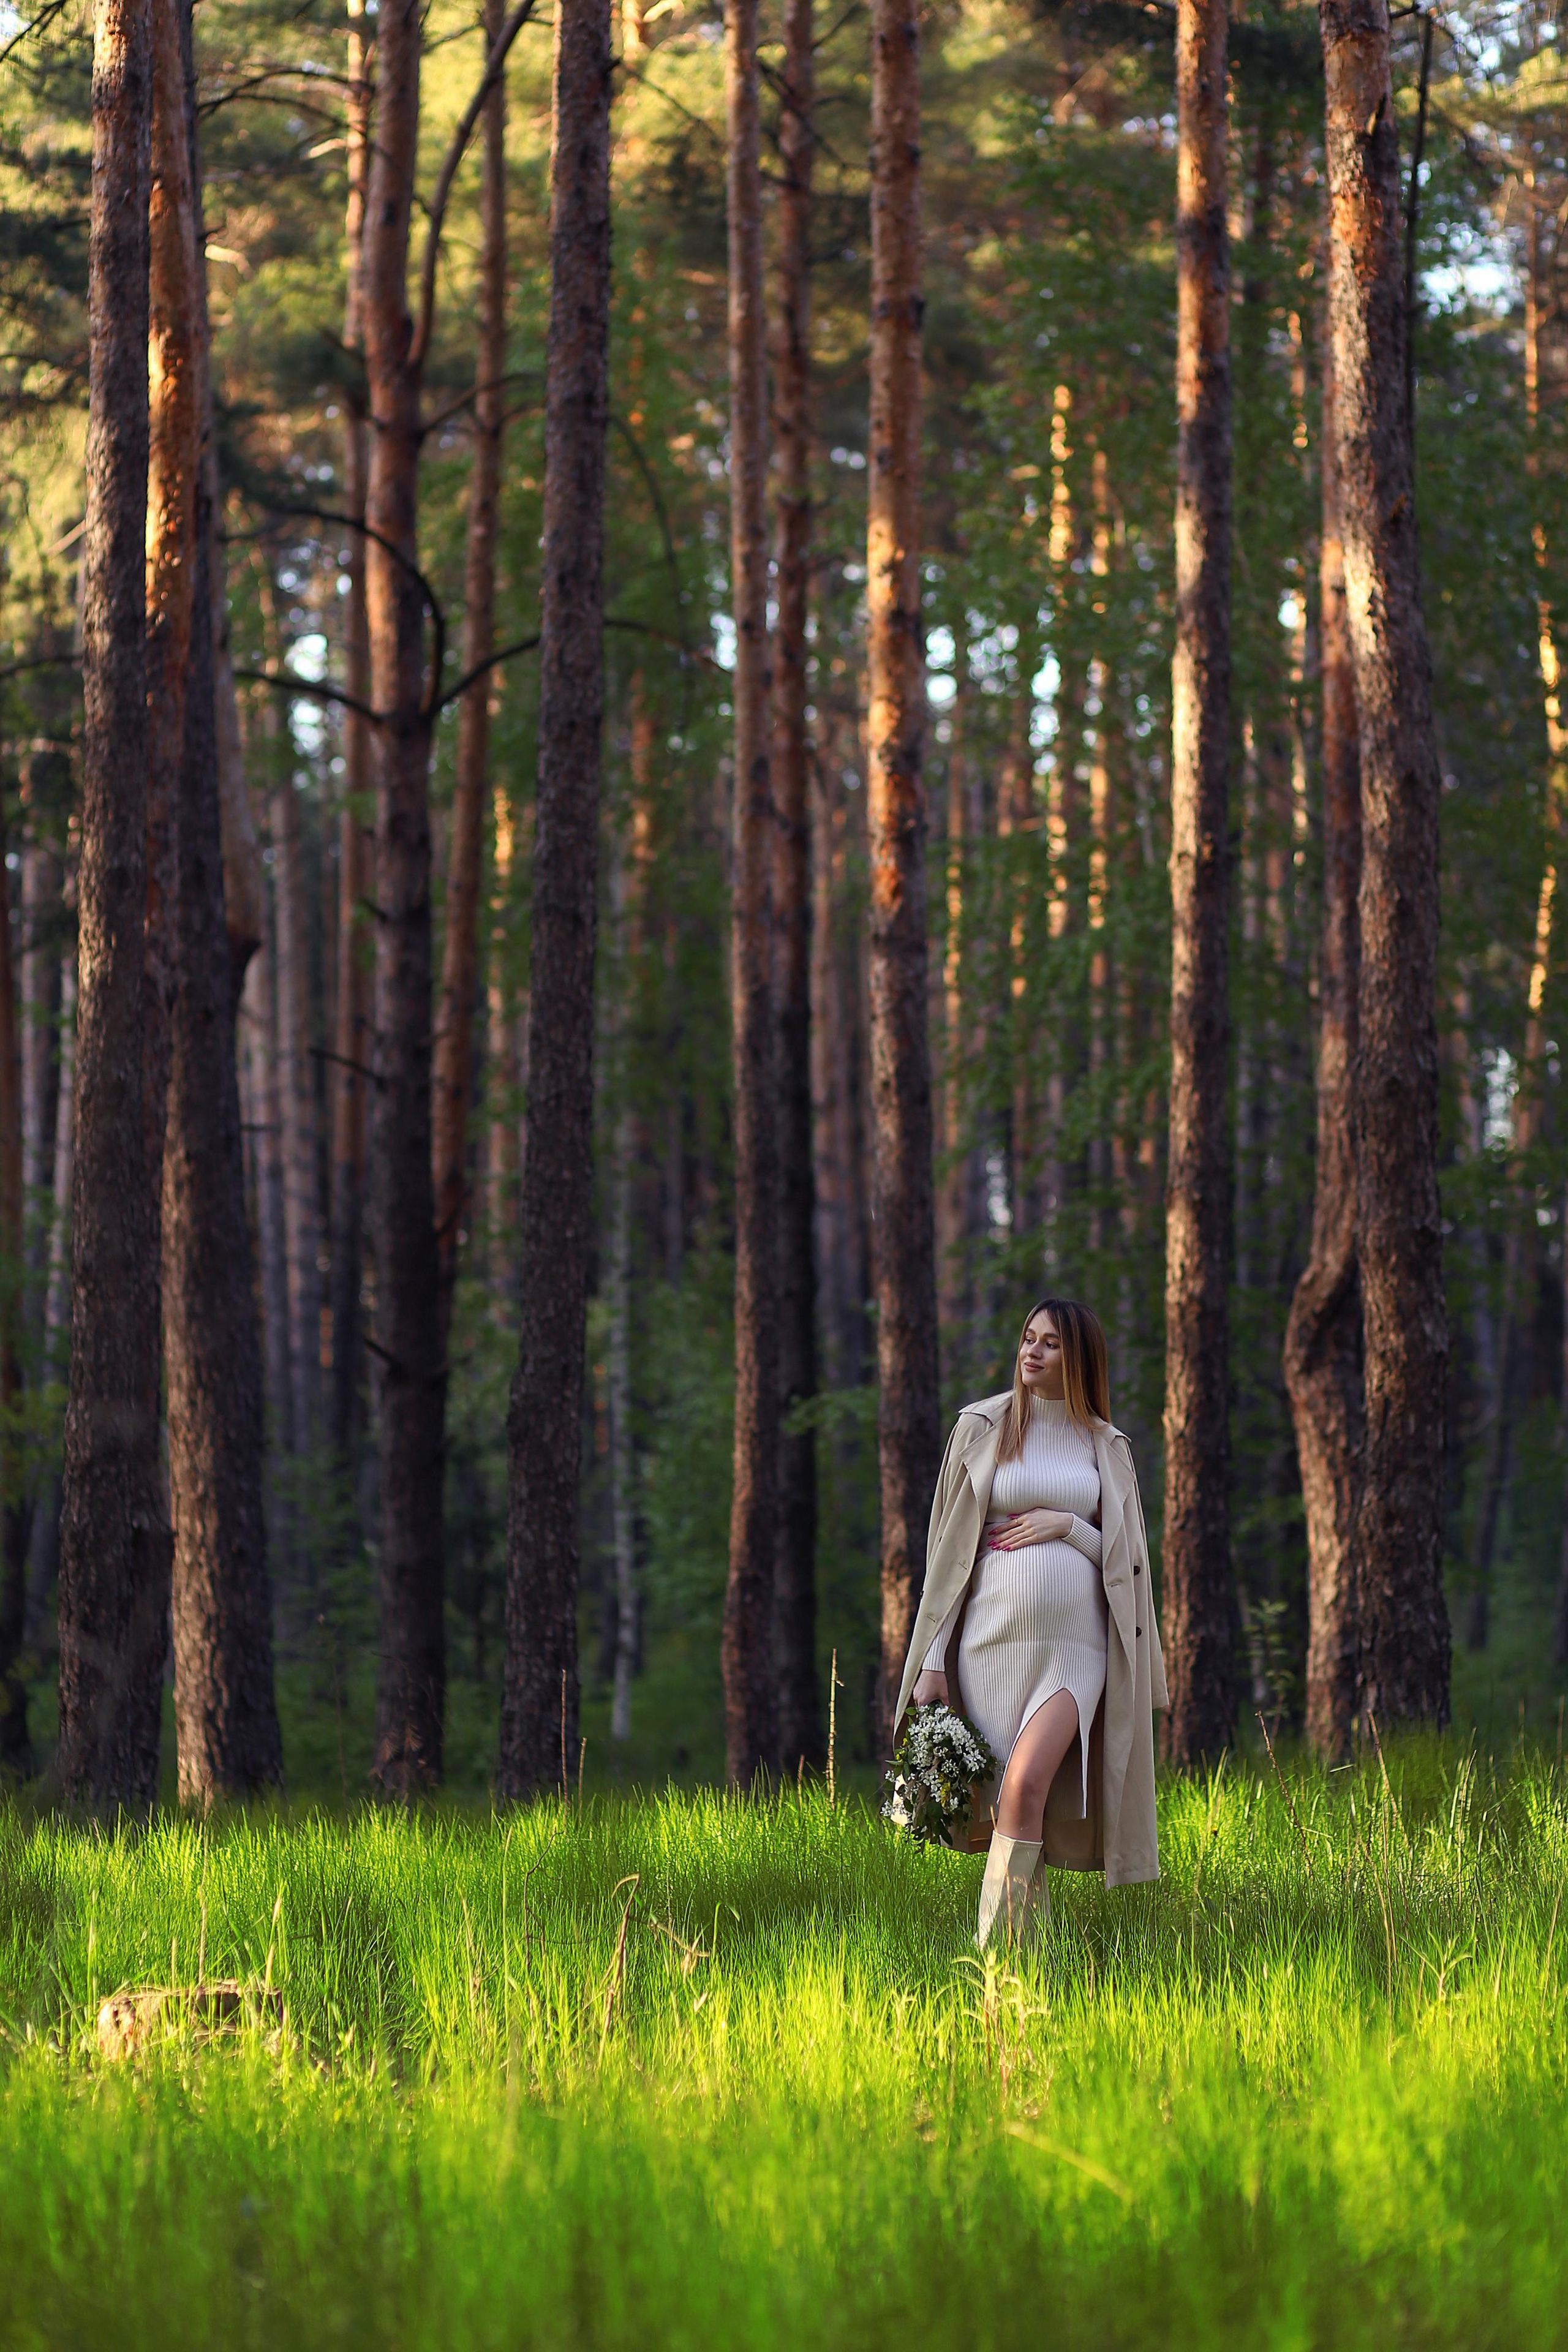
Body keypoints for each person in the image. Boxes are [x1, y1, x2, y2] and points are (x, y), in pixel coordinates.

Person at [894, 1298, 1168, 1947]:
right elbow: (947, 1556)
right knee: (1006, 1807)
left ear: (1079, 1358)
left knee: (1025, 1783)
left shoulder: (1106, 1445)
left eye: (1050, 1344)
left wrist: (1068, 1527)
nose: (1032, 1352)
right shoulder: (980, 1426)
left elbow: (1128, 1563)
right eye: (1027, 1338)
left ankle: (993, 1965)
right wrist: (932, 1661)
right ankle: (1026, 1968)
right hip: (987, 1647)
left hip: (1075, 1652)